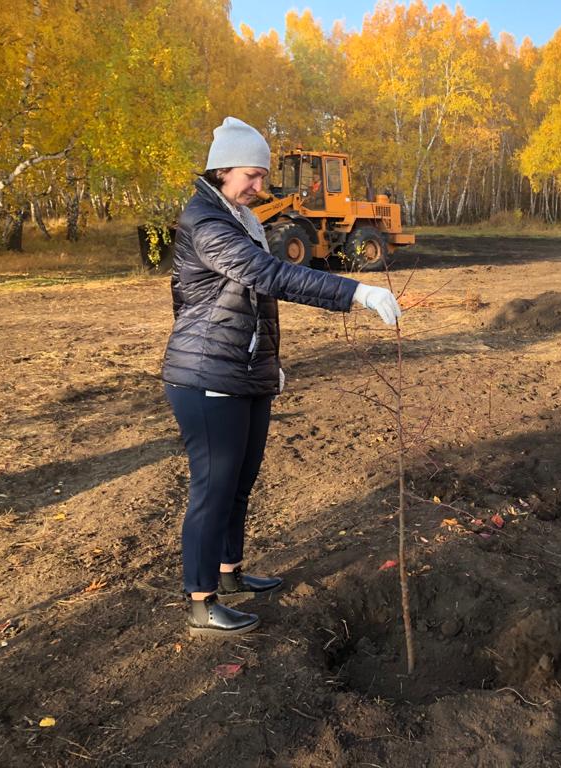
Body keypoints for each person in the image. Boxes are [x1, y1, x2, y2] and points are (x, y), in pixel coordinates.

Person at [162, 117, 401, 638]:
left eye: (262, 177)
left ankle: (228, 576)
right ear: (222, 168)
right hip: (206, 378)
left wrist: (266, 362)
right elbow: (268, 276)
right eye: (252, 175)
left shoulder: (238, 215)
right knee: (213, 488)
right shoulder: (206, 222)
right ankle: (201, 603)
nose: (259, 187)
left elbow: (245, 303)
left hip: (242, 371)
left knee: (240, 483)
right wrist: (355, 293)